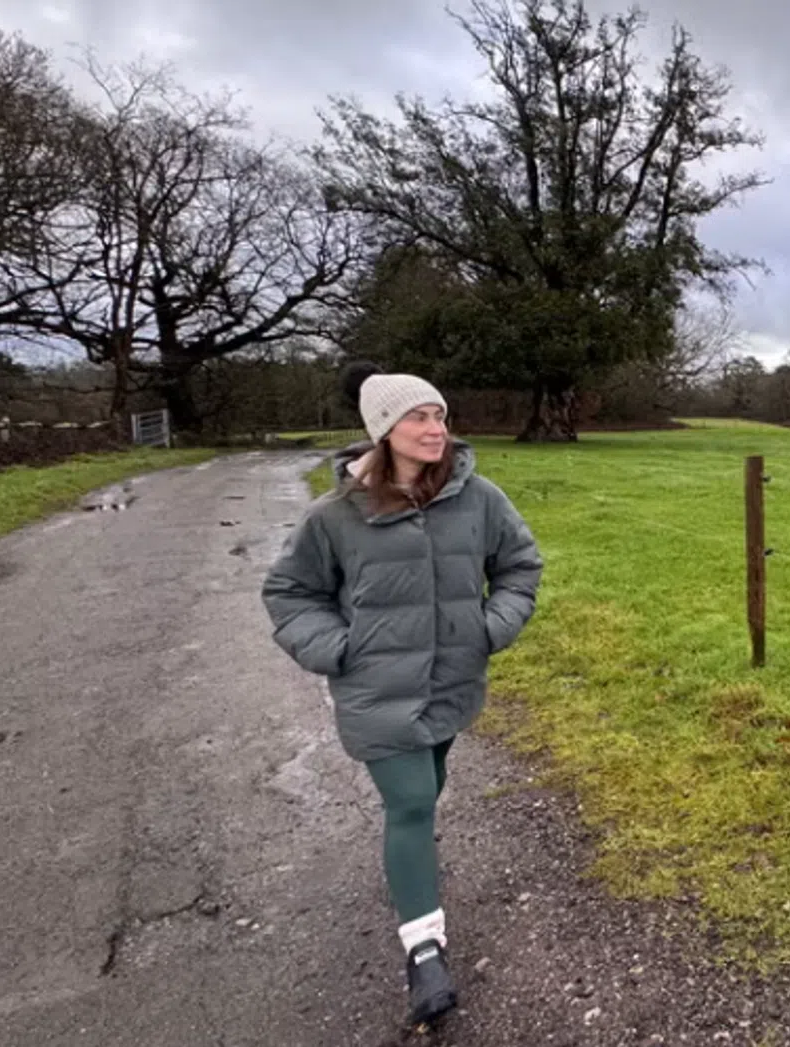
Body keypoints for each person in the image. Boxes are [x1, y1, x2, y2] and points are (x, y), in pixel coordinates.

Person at [261, 363, 543, 1027]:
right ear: (384, 429)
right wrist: (339, 650)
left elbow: (519, 566)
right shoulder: (335, 516)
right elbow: (288, 593)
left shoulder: (480, 499)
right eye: (418, 416)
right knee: (412, 799)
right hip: (375, 690)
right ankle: (424, 949)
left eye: (439, 415)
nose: (434, 427)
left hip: (452, 681)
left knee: (429, 784)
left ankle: (409, 869)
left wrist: (490, 627)